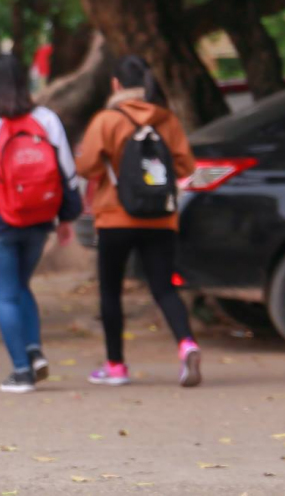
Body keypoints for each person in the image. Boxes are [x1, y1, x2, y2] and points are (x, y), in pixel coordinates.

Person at [0, 54, 82, 393]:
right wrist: (67, 216)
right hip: (39, 218)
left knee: (7, 294)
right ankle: (34, 350)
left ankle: (22, 371)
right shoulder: (46, 119)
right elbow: (66, 170)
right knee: (21, 285)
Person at [76, 55, 201, 388]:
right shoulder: (166, 119)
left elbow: (86, 167)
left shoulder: (106, 120)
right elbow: (186, 167)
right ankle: (187, 343)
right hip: (160, 218)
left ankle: (116, 366)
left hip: (115, 218)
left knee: (110, 291)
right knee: (164, 287)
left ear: (115, 84)